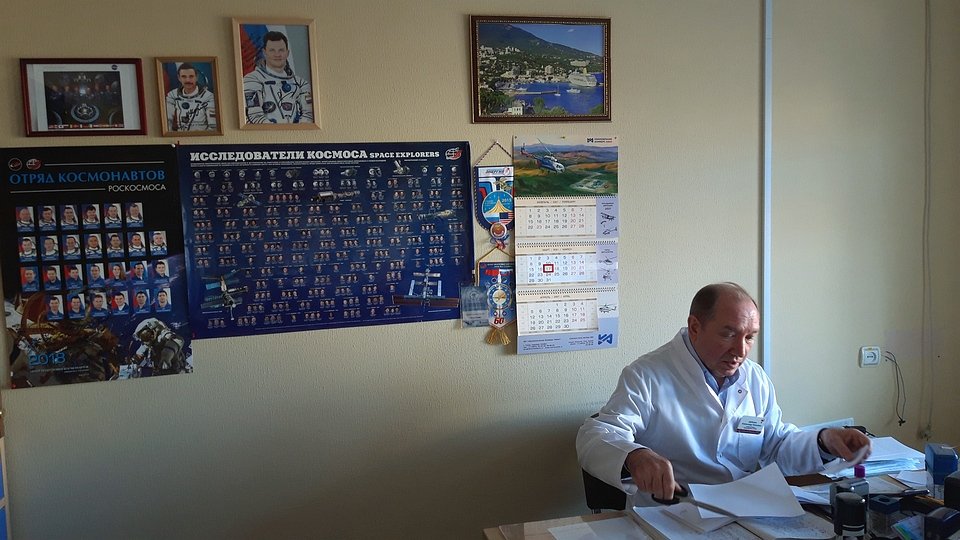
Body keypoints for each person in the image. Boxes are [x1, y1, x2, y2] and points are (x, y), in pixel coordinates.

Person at [576, 282, 872, 507]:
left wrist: (824, 441)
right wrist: (634, 455)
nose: (740, 351)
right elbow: (595, 434)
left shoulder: (754, 378)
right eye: (729, 334)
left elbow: (777, 445)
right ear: (695, 327)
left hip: (744, 511)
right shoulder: (647, 375)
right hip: (674, 512)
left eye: (749, 337)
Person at [242, 30, 313, 124]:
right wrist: (276, 131)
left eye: (281, 50)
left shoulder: (300, 83)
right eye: (272, 50)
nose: (277, 54)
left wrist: (296, 130)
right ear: (264, 52)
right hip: (263, 132)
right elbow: (254, 116)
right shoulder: (252, 80)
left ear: (287, 53)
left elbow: (309, 114)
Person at [165, 63, 217, 132]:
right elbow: (167, 122)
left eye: (191, 76)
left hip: (202, 137)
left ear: (196, 77)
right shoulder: (172, 95)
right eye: (184, 77)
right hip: (180, 136)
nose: (188, 80)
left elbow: (213, 126)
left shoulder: (208, 97)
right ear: (179, 78)